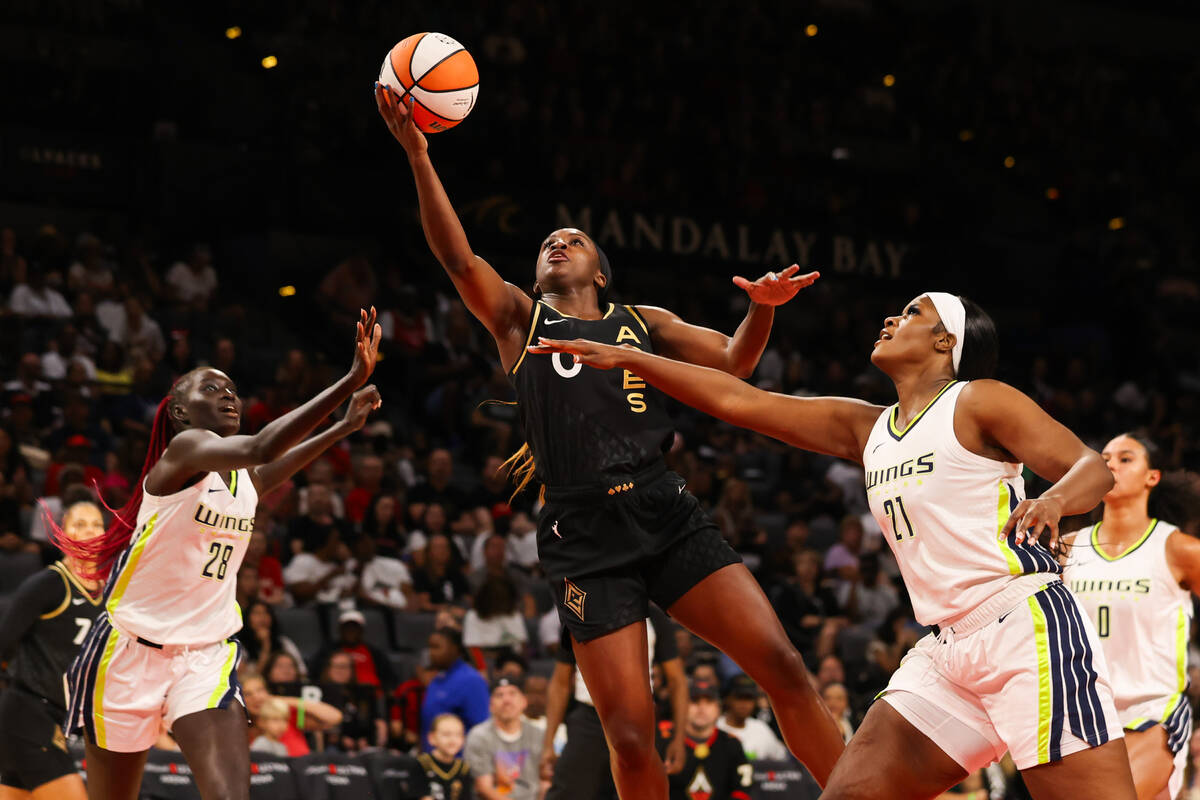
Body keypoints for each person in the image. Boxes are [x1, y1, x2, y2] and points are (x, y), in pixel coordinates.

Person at [376, 82, 845, 796]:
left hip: (664, 508)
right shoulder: (516, 318)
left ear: (601, 271)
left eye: (574, 241)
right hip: (584, 532)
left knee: (782, 664)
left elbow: (733, 365)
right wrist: (418, 155)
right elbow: (457, 258)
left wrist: (761, 311)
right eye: (547, 243)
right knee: (628, 733)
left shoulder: (641, 320)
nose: (558, 244)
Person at [532, 291, 1136, 798]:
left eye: (912, 313)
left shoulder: (979, 399)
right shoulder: (867, 427)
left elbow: (1091, 466)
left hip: (1022, 629)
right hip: (946, 653)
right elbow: (739, 400)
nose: (892, 319)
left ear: (945, 342)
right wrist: (628, 358)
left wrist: (1054, 500)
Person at [58, 310, 381, 800]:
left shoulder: (240, 479)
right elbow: (265, 447)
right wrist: (349, 381)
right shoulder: (185, 451)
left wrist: (342, 428)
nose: (228, 394)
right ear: (181, 412)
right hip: (128, 653)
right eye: (210, 388)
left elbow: (274, 465)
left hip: (202, 656)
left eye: (231, 388)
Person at [1062, 433, 1200, 800]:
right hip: (1081, 714)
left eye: (1125, 459)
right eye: (1104, 457)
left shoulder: (1178, 549)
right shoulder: (1067, 549)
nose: (1110, 465)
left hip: (1154, 711)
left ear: (1151, 477)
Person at [0, 501, 105, 800]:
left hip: (57, 716)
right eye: (79, 525)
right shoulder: (48, 584)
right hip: (29, 713)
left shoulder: (111, 592)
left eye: (96, 525)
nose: (89, 531)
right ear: (62, 535)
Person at [542, 605, 688, 800]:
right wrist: (548, 743)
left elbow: (677, 681)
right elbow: (560, 683)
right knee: (567, 793)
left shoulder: (653, 616)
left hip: (638, 718)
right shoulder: (578, 611)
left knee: (642, 793)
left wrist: (679, 739)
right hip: (589, 718)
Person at [656, 680, 753, 800]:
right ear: (682, 706)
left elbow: (743, 789)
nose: (702, 708)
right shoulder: (663, 739)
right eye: (695, 701)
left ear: (719, 708)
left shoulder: (731, 744)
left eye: (709, 702)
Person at [464, 678, 544, 800]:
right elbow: (484, 788)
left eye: (512, 693)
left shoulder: (538, 734)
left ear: (524, 701)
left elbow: (545, 782)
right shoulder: (479, 736)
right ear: (491, 706)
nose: (506, 700)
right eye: (499, 695)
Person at [421, 628, 491, 751]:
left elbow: (482, 728)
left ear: (454, 649)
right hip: (433, 759)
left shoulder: (471, 680)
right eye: (430, 647)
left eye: (436, 647)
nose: (431, 653)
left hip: (460, 763)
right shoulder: (437, 679)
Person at [717, 675, 788, 762]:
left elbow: (783, 759)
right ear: (727, 699)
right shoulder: (715, 727)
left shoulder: (761, 728)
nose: (744, 704)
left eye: (749, 698)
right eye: (739, 698)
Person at [419, 713, 474, 800]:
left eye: (458, 734)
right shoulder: (421, 764)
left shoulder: (464, 768)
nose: (453, 740)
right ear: (431, 738)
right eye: (446, 734)